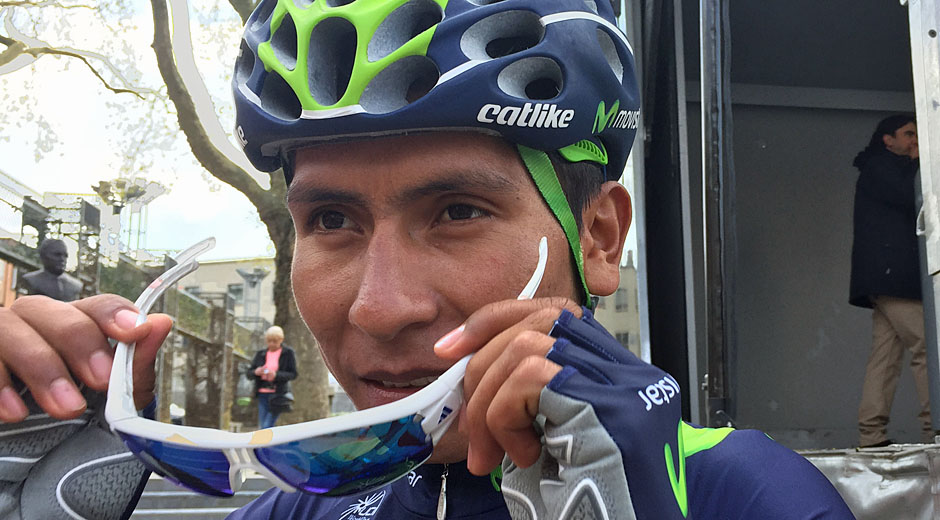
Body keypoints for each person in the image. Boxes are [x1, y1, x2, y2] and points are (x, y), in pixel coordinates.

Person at [0, 0, 855, 518]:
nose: (378, 307)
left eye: (457, 212)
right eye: (331, 219)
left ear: (598, 238)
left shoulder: (749, 498)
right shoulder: (300, 510)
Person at [849, 114, 933, 448]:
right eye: (908, 133)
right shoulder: (881, 167)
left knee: (885, 357)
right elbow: (909, 196)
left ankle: (871, 434)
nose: (914, 140)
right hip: (893, 277)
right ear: (888, 140)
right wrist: (921, 163)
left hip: (885, 279)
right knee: (929, 348)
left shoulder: (878, 168)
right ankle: (935, 427)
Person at [248, 325, 297, 428]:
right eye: (269, 341)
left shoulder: (288, 353)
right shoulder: (260, 354)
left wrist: (276, 375)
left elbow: (293, 374)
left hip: (278, 395)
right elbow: (249, 373)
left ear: (281, 340)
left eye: (275, 341)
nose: (271, 344)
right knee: (262, 425)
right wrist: (256, 372)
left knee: (267, 425)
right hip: (262, 393)